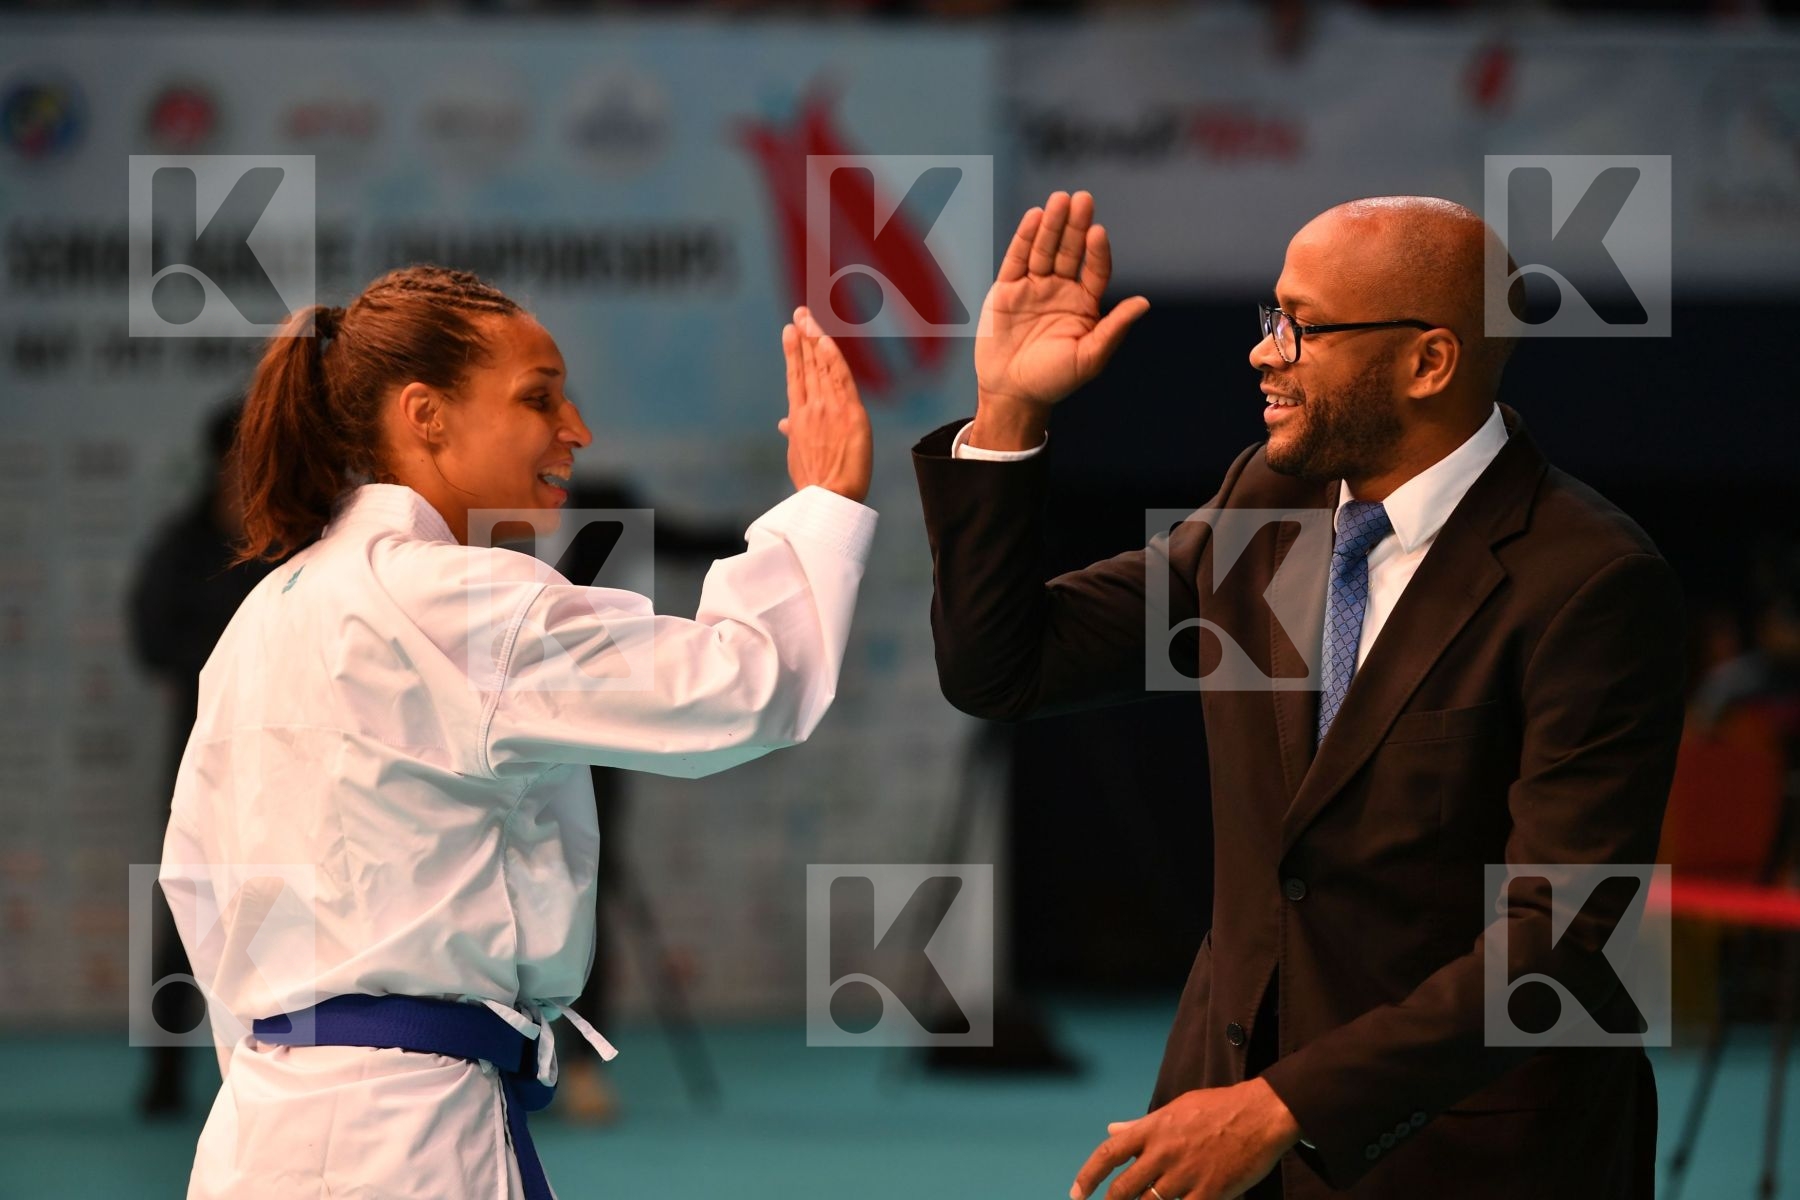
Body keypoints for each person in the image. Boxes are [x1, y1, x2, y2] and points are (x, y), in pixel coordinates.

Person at [912, 191, 1686, 1199]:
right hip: (1220, 1128)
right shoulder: (1270, 507)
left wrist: (1288, 1107)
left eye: (1303, 327)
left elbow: (1557, 944)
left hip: (1470, 1160)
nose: (1264, 353)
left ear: (1429, 363)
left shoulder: (1590, 582)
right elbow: (1004, 668)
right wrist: (1009, 413)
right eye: (1269, 318)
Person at [158, 265, 874, 1200]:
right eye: (539, 399)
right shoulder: (458, 598)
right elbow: (749, 689)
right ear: (427, 415)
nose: (575, 429)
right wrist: (822, 501)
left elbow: (202, 894)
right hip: (411, 1142)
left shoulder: (264, 614)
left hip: (256, 1128)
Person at [128, 397, 277, 1116]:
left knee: (288, 910)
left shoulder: (302, 537)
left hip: (291, 758)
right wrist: (225, 667)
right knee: (187, 915)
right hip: (205, 752)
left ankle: (279, 1074)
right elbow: (151, 636)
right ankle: (163, 1079)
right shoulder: (185, 542)